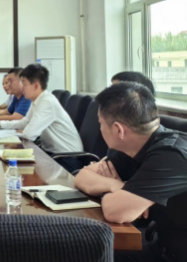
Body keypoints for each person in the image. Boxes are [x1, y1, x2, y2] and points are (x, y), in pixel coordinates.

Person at [74, 82, 187, 261]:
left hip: (176, 254)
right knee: (81, 252)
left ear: (118, 130)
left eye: (100, 124)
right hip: (161, 246)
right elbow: (82, 176)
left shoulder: (171, 154)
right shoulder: (132, 147)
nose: (100, 129)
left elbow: (115, 211)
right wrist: (115, 185)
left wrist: (118, 194)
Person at [0, 64, 83, 158]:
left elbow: (29, 134)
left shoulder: (47, 102)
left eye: (24, 84)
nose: (22, 87)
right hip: (52, 154)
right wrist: (0, 124)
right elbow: (23, 122)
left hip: (68, 157)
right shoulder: (37, 100)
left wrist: (24, 131)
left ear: (36, 85)